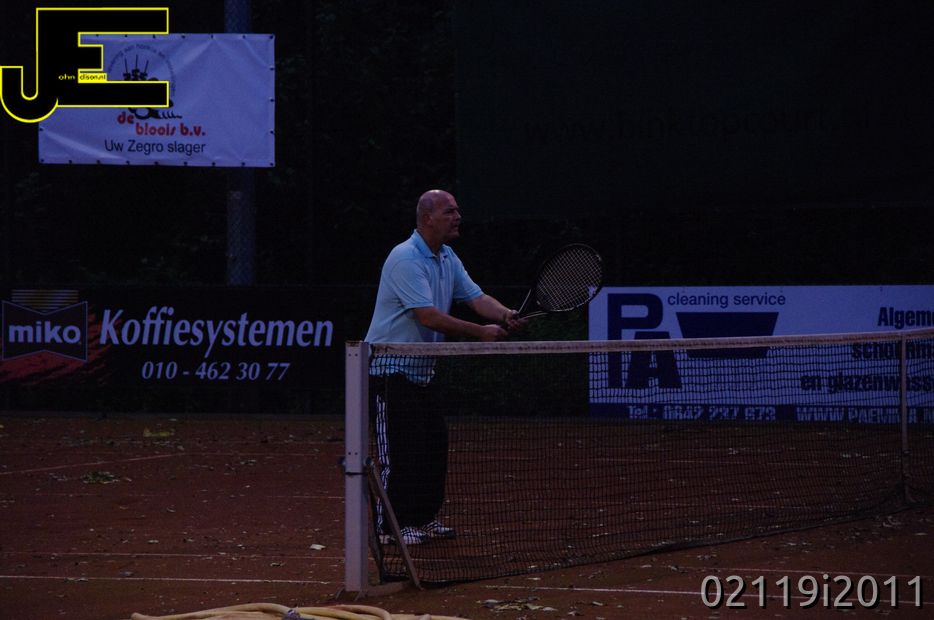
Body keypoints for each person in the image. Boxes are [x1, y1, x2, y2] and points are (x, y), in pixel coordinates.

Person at [365, 189, 523, 546]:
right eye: (450, 211)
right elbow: (428, 316)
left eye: (457, 210)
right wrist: (480, 332)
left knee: (433, 447)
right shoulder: (405, 258)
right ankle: (391, 526)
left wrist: (504, 314)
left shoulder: (447, 257)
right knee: (401, 453)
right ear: (428, 219)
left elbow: (477, 298)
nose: (457, 217)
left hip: (423, 372)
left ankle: (423, 518)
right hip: (389, 370)